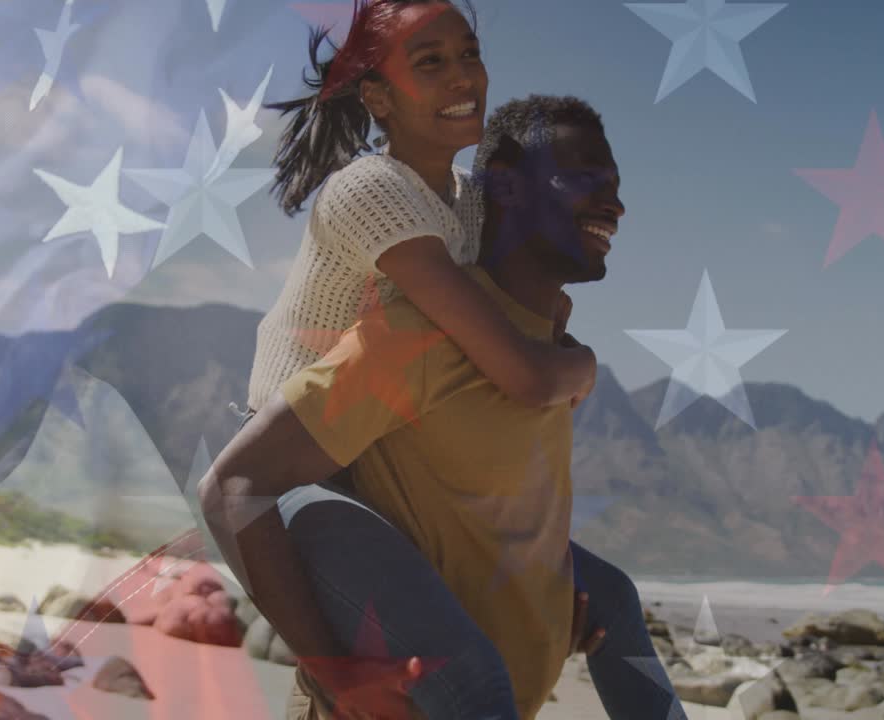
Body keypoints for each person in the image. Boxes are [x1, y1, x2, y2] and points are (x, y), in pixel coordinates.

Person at [200, 89, 685, 719]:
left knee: (614, 597)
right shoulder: (415, 337)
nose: (614, 203)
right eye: (584, 178)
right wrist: (331, 674)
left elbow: (479, 536)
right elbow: (235, 486)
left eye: (614, 184)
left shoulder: (548, 351)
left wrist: (542, 601)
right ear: (507, 189)